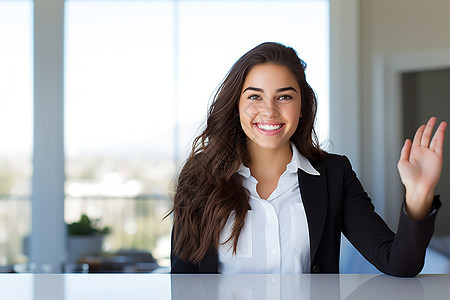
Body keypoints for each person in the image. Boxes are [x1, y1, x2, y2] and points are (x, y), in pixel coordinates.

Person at [169, 42, 447, 276]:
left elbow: (399, 263)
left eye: (284, 97)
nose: (269, 110)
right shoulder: (199, 176)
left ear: (302, 107)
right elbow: (183, 280)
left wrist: (418, 192)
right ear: (237, 106)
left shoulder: (334, 174)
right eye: (255, 96)